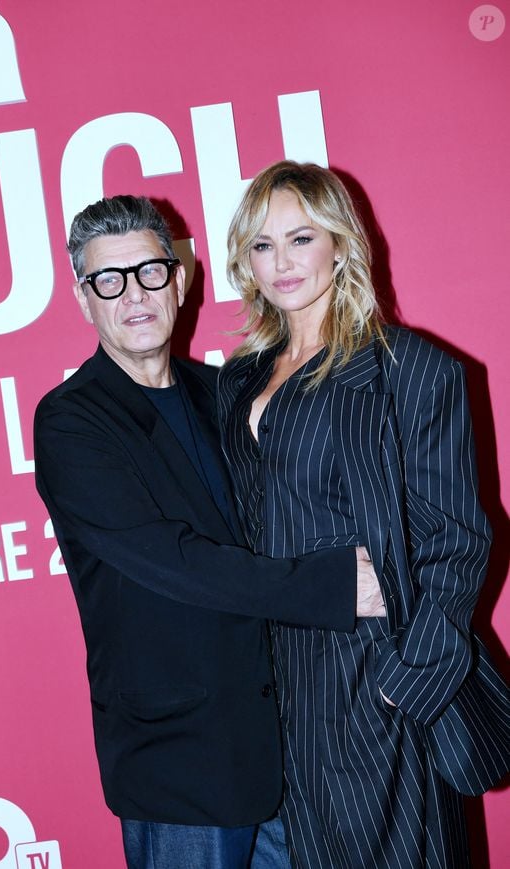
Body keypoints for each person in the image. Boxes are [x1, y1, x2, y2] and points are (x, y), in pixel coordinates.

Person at [33, 194, 385, 869]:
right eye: (109, 279)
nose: (133, 294)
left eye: (149, 272)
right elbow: (176, 561)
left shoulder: (221, 392)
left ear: (181, 277)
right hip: (178, 765)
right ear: (85, 299)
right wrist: (341, 584)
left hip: (282, 747)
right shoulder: (72, 421)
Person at [218, 160, 510, 869]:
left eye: (301, 238)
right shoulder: (238, 378)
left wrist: (403, 686)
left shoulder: (407, 369)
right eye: (262, 244)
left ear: (342, 244)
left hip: (371, 684)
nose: (281, 262)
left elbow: (458, 544)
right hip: (271, 693)